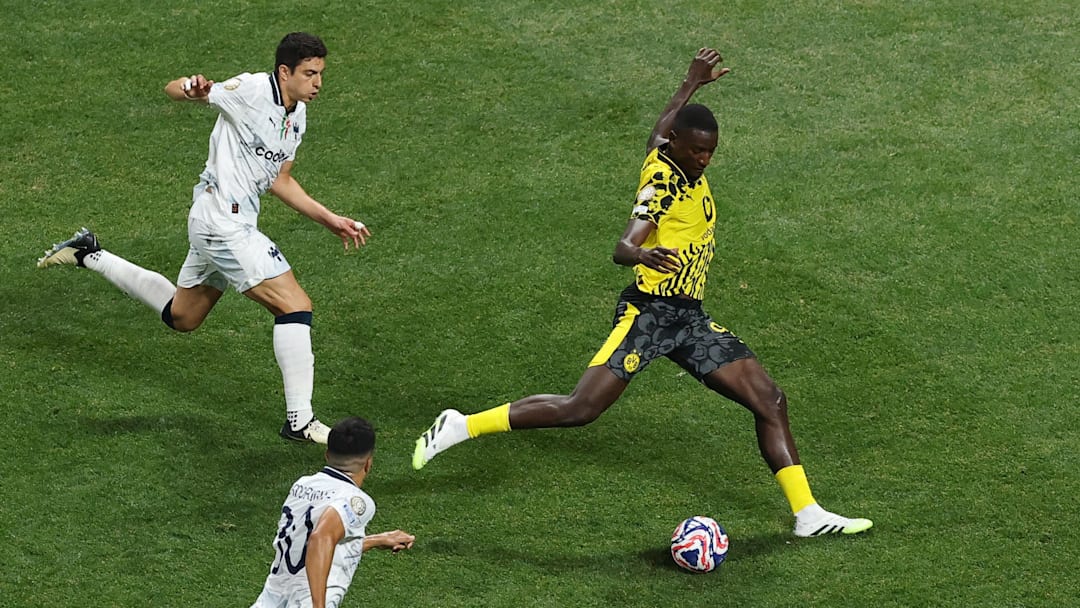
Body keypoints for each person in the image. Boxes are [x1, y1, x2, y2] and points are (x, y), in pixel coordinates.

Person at [412, 48, 873, 538]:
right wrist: (642, 255)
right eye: (696, 151)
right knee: (580, 409)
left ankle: (808, 515)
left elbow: (658, 130)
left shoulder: (666, 150)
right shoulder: (663, 188)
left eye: (710, 152)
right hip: (650, 314)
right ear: (678, 146)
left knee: (770, 400)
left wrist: (690, 83)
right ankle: (463, 425)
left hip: (689, 319)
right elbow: (623, 245)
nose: (703, 160)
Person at [36, 32, 370, 444]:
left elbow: (280, 180)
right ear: (285, 71)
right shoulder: (249, 89)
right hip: (221, 223)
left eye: (321, 73)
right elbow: (178, 91)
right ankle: (299, 420)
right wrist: (191, 87)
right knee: (295, 306)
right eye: (309, 73)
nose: (318, 82)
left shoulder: (297, 114)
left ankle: (90, 253)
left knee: (183, 316)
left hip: (222, 221)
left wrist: (331, 220)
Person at [251, 416, 415, 608]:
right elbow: (320, 538)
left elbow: (312, 543)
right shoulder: (356, 501)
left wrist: (377, 540)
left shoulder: (302, 485)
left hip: (270, 600)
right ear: (368, 463)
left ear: (327, 455)